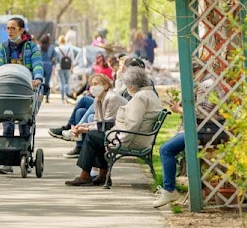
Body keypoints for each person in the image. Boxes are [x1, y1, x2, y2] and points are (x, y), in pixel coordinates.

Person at [65, 66, 161, 186]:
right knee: (97, 135)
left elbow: (132, 125)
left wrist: (117, 140)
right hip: (139, 137)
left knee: (92, 136)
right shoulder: (149, 94)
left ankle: (85, 176)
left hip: (134, 139)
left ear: (131, 85)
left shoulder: (140, 97)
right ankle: (102, 175)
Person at [154, 79, 224, 208]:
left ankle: (169, 190)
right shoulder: (206, 84)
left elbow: (203, 114)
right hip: (206, 130)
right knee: (169, 149)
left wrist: (180, 109)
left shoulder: (206, 85)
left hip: (203, 131)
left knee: (166, 149)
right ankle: (193, 190)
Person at [0, 16, 44, 139]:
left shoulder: (31, 47)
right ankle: (7, 148)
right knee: (7, 122)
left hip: (26, 87)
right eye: (7, 28)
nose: (9, 31)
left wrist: (37, 78)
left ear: (21, 30)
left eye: (13, 28)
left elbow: (37, 63)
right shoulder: (2, 48)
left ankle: (24, 146)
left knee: (25, 121)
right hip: (7, 87)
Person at [38, 33, 56, 104]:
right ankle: (47, 98)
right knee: (47, 83)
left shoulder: (39, 47)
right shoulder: (51, 47)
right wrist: (53, 64)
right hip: (48, 65)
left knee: (40, 81)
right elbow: (55, 57)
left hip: (40, 66)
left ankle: (40, 95)